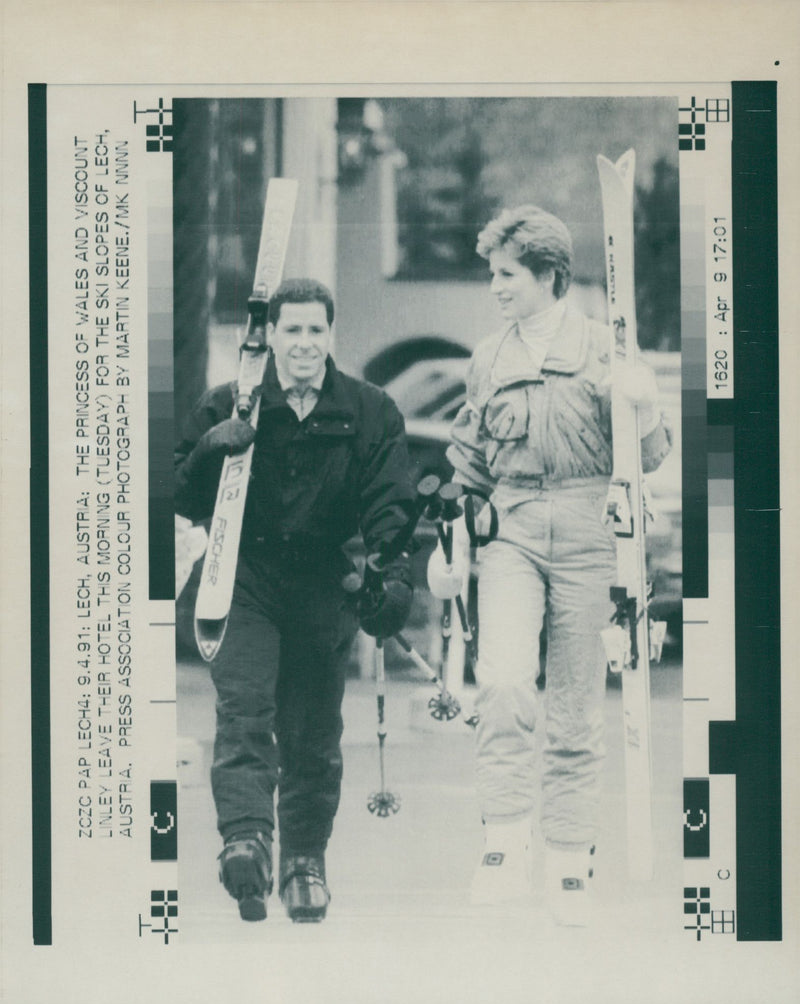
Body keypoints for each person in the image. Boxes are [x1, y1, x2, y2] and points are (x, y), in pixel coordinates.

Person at [426, 205, 672, 925]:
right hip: (513, 525)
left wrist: (646, 405)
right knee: (501, 680)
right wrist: (449, 545)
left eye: (506, 275)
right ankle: (504, 842)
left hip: (593, 524)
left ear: (547, 275)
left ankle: (569, 857)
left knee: (573, 704)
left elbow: (650, 459)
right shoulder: (488, 357)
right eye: (492, 274)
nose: (495, 287)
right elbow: (467, 466)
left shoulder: (606, 349)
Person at [175, 278, 416, 923]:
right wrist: (208, 452)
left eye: (316, 330)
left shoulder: (368, 410)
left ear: (331, 335)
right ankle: (245, 840)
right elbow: (179, 493)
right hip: (243, 575)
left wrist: (392, 575)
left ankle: (305, 859)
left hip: (321, 582)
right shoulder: (232, 403)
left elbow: (390, 499)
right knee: (246, 709)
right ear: (270, 336)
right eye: (292, 330)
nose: (304, 343)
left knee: (312, 731)